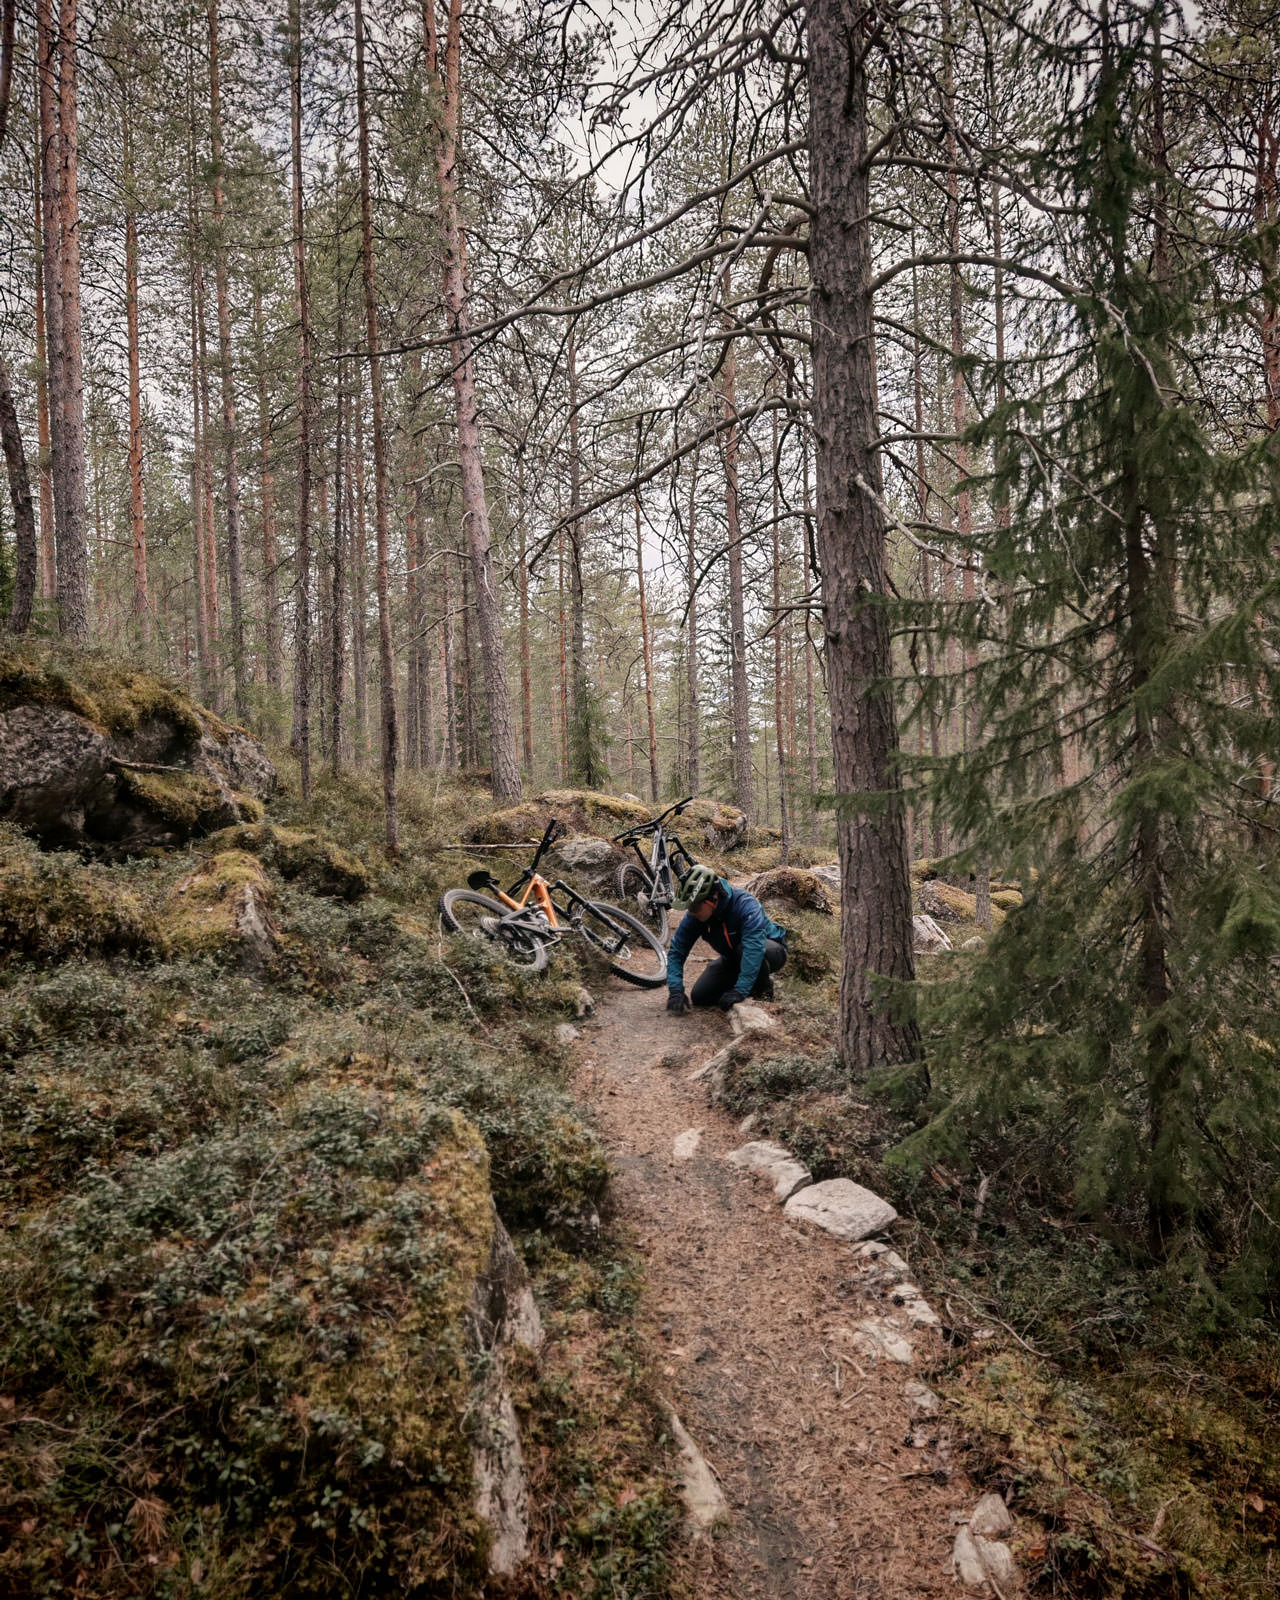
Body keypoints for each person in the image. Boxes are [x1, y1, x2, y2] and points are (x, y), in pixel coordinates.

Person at [665, 862, 787, 1015]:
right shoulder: (695, 917)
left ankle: (763, 991)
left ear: (713, 898)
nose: (692, 912)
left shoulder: (746, 905)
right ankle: (746, 981)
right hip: (732, 958)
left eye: (695, 907)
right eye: (689, 908)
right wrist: (675, 990)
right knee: (700, 996)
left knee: (743, 950)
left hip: (770, 950)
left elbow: (754, 950)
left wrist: (740, 991)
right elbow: (677, 950)